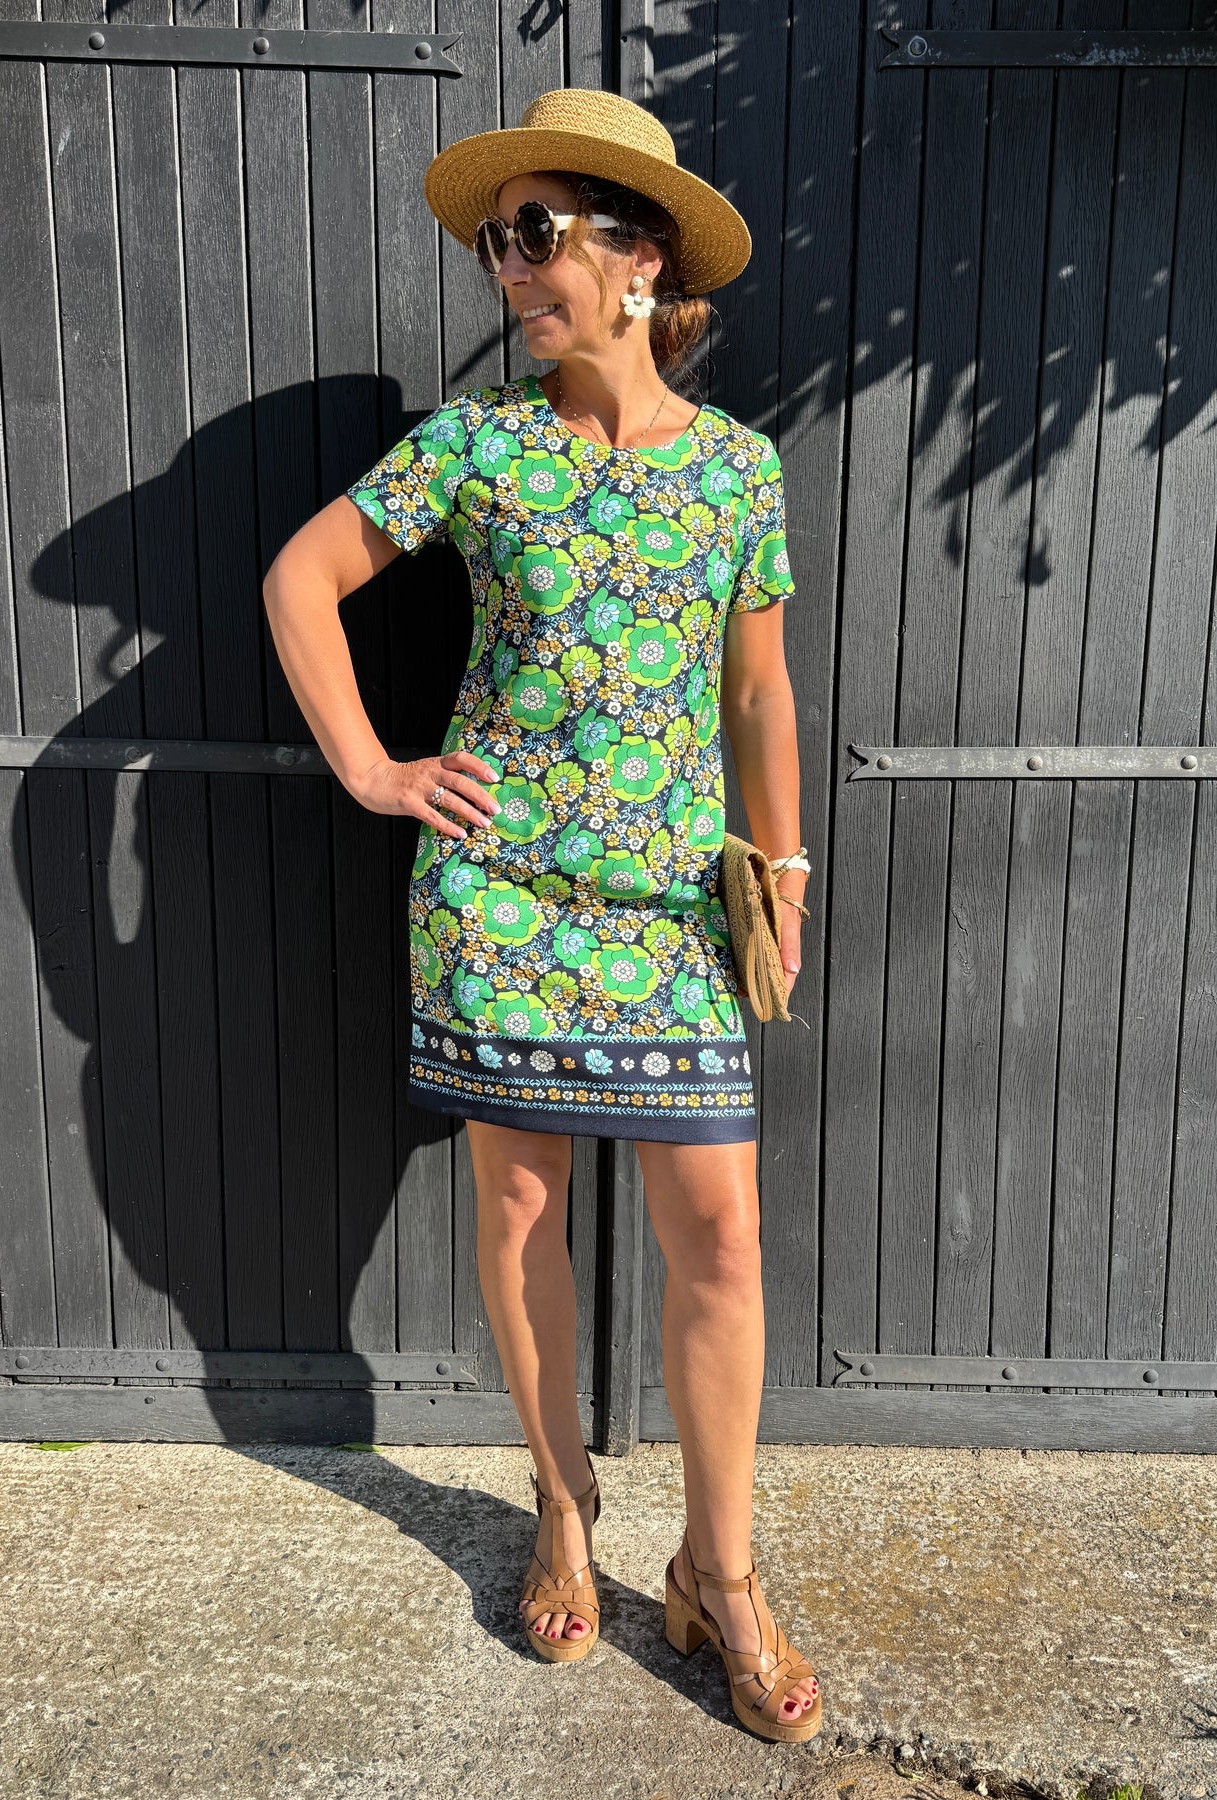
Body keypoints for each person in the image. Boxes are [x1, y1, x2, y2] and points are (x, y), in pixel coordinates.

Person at [262, 86, 820, 1743]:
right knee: (518, 1217)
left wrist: (782, 870)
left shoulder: (736, 468)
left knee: (721, 1234)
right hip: (499, 898)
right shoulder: (475, 444)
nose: (511, 271)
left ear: (641, 259)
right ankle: (563, 1507)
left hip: (671, 909)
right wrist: (372, 769)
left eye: (539, 237)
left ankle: (718, 1573)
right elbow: (302, 579)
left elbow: (757, 690)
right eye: (499, 245)